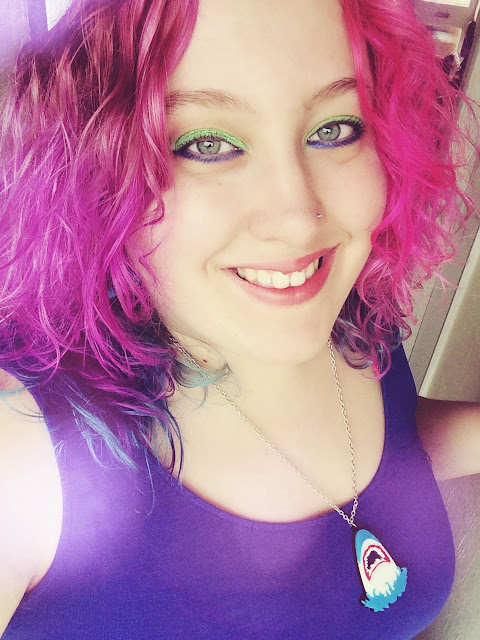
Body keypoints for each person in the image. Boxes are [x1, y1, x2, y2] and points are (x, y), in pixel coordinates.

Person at [0, 0, 479, 638]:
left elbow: (388, 447)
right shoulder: (23, 444)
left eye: (335, 129)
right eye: (208, 144)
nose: (299, 218)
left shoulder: (346, 312)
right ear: (90, 164)